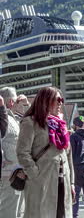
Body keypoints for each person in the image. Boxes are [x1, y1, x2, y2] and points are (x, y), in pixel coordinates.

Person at [16, 86, 75, 218]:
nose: (61, 103)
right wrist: (34, 173)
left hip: (62, 181)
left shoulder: (61, 125)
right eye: (57, 99)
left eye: (62, 100)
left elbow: (68, 155)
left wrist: (71, 183)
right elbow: (22, 152)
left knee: (62, 214)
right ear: (45, 100)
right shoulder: (30, 122)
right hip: (41, 181)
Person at [0, 87, 23, 217]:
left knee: (17, 209)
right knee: (8, 210)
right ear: (11, 102)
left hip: (16, 171)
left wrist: (26, 105)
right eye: (15, 100)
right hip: (7, 172)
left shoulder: (14, 118)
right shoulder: (4, 118)